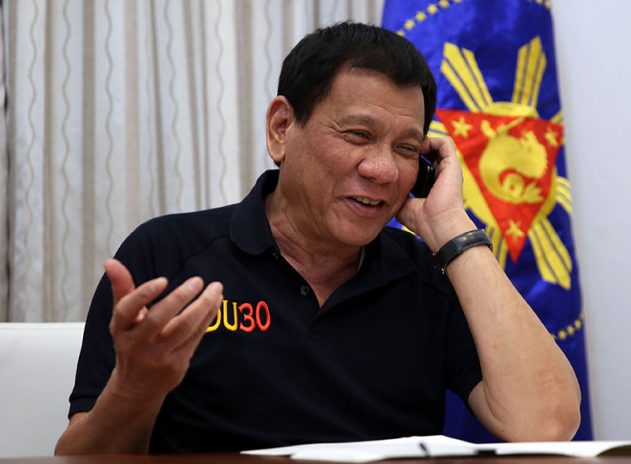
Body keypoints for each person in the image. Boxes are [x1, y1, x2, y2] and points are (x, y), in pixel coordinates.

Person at [55, 22, 580, 455]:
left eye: (405, 148)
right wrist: (137, 385)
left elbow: (547, 426)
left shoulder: (429, 275)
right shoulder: (168, 256)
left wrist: (453, 231)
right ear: (282, 128)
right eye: (358, 135)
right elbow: (80, 459)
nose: (381, 169)